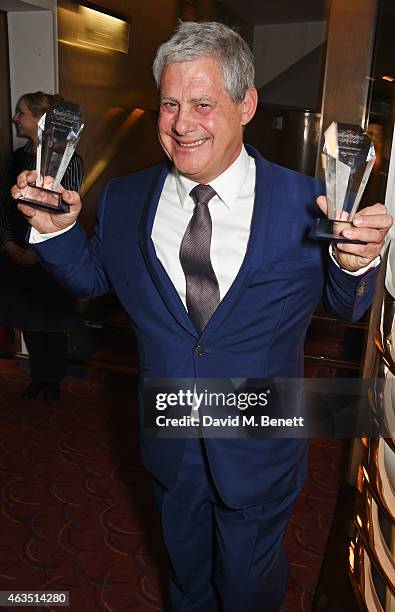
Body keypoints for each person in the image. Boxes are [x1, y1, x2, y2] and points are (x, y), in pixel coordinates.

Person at [12, 22, 392, 611]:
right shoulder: (124, 197)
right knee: (185, 579)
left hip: (259, 439)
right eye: (169, 103)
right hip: (168, 435)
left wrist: (353, 262)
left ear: (247, 105)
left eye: (203, 104)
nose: (182, 123)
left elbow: (346, 305)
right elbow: (96, 280)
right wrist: (57, 230)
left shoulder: (306, 201)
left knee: (247, 587)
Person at [0, 91, 83, 401]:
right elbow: (4, 206)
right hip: (16, 251)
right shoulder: (16, 157)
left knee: (51, 321)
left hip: (48, 256)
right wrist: (9, 244)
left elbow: (63, 209)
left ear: (39, 120)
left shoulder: (70, 161)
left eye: (20, 112)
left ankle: (53, 380)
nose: (14, 119)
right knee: (29, 320)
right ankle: (37, 376)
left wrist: (36, 252)